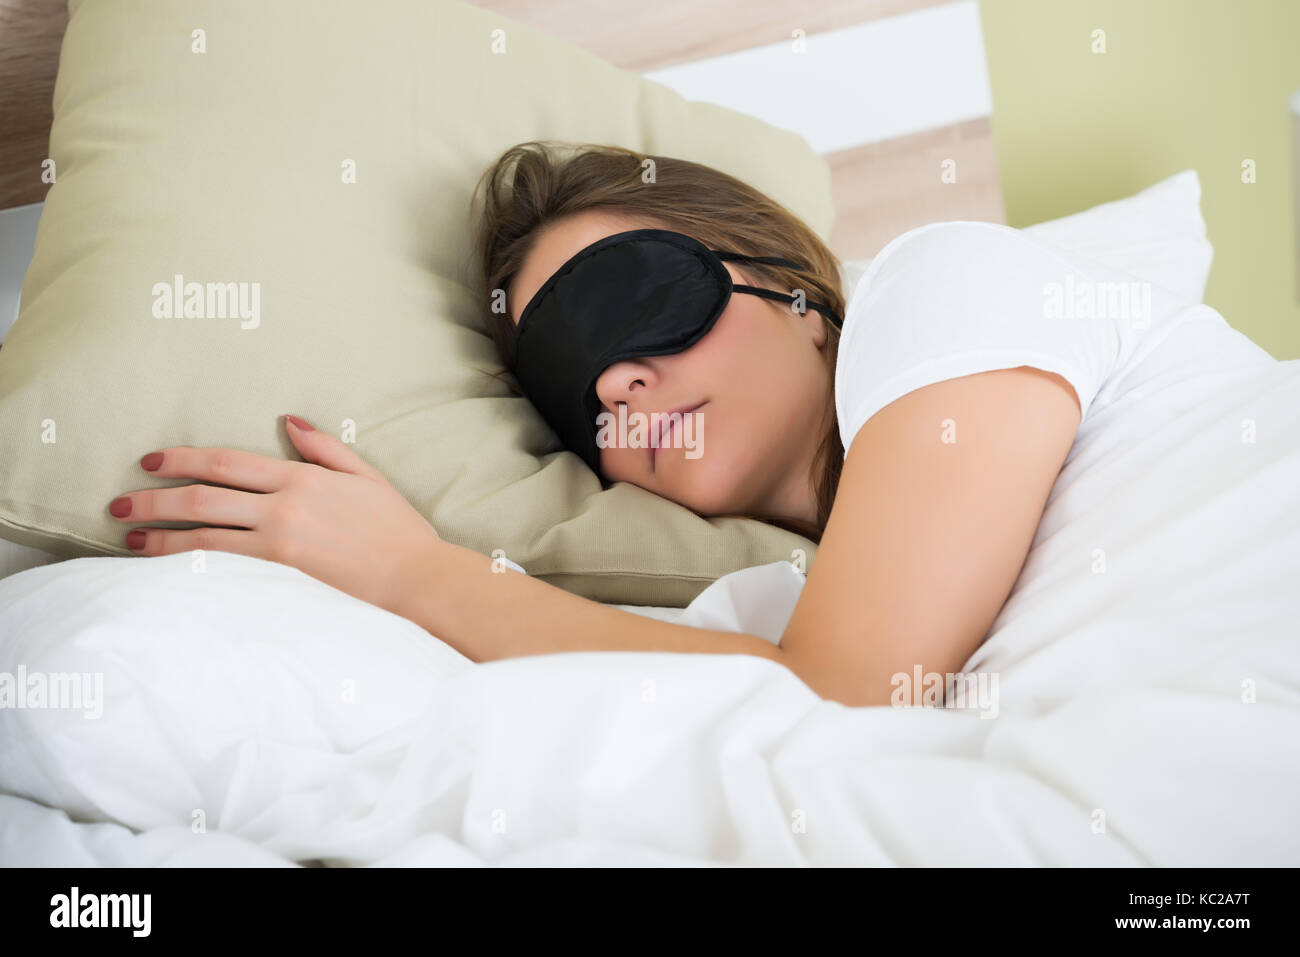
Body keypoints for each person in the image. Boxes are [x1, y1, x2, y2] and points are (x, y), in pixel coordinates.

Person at [104, 141, 1275, 708]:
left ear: (798, 297)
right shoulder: (789, 588)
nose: (615, 386)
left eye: (635, 303)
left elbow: (853, 689)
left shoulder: (940, 282)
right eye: (578, 394)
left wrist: (415, 572)